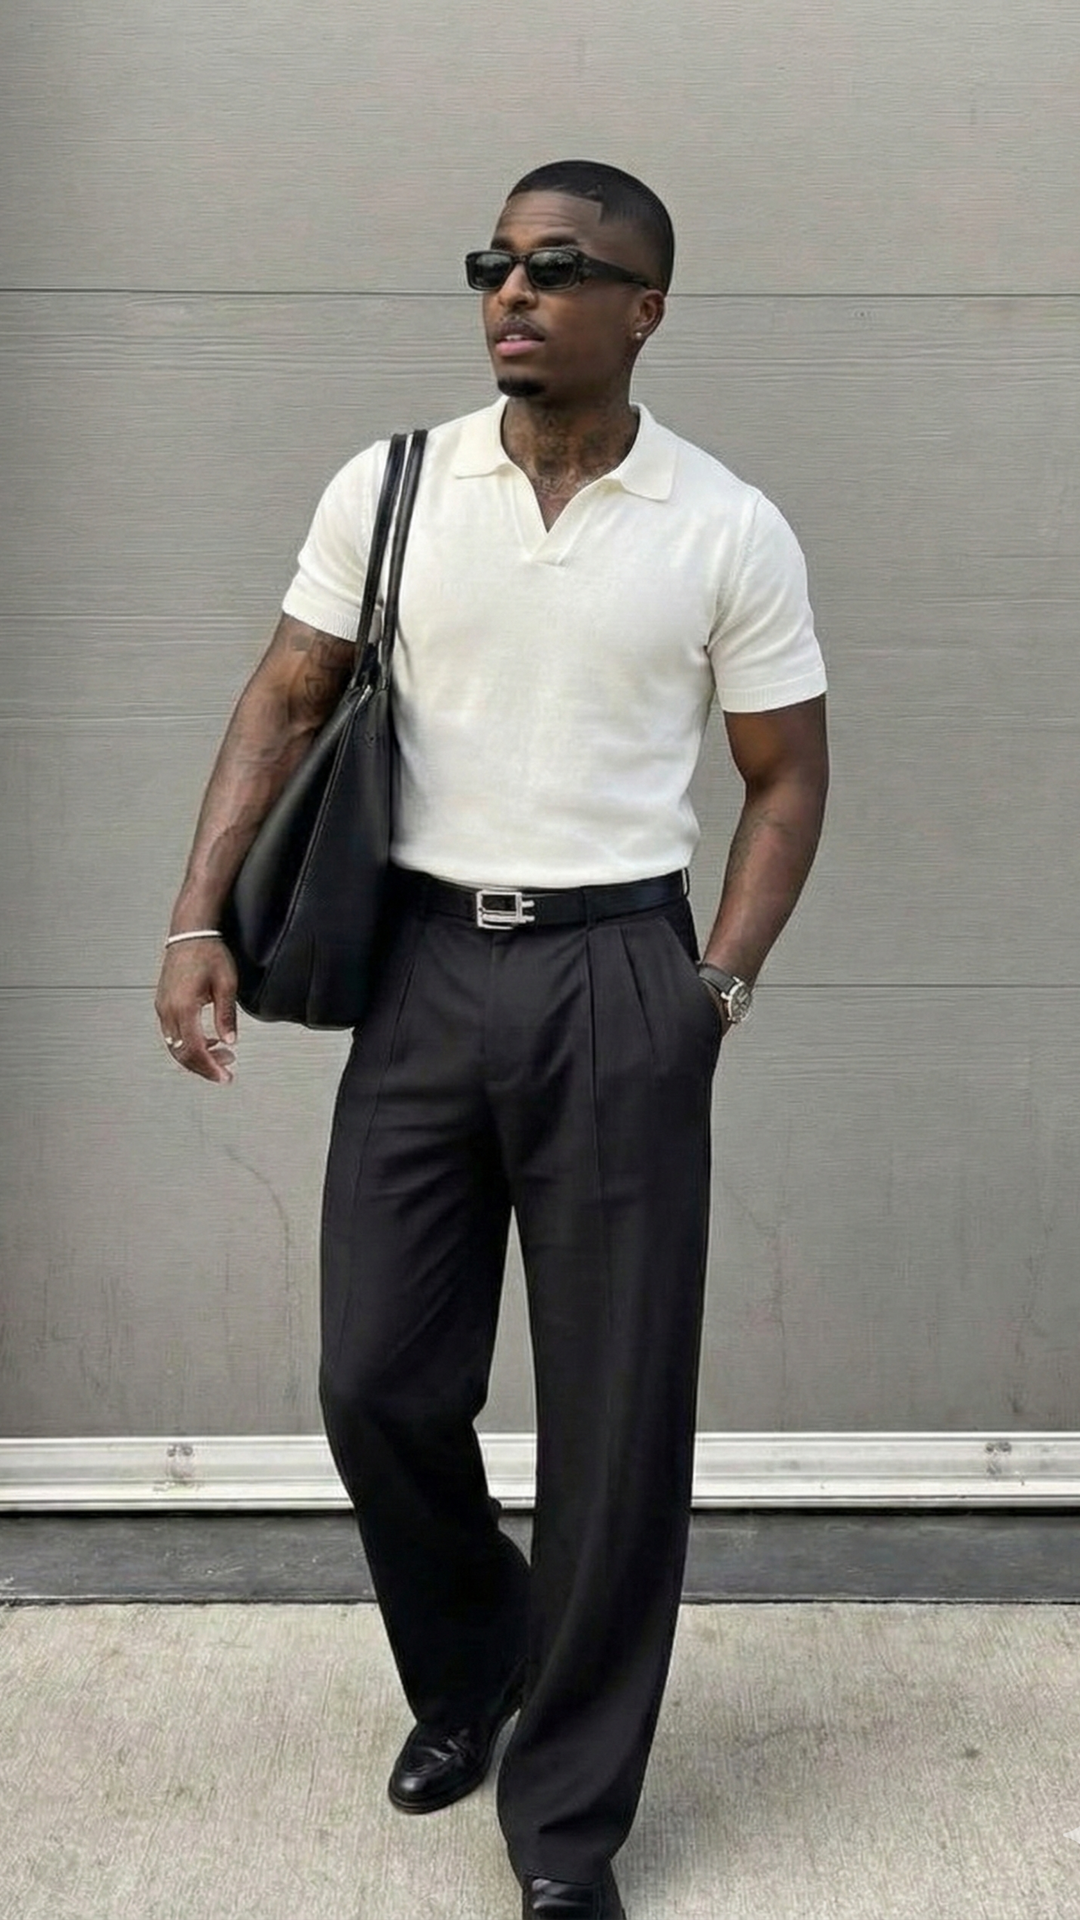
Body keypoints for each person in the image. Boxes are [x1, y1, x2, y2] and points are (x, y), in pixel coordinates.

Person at [155, 160, 828, 1920]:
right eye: (495, 263)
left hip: (621, 975)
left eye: (560, 266)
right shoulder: (394, 485)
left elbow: (785, 779)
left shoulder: (725, 526)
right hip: (427, 973)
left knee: (616, 1426)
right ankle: (475, 1661)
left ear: (644, 308)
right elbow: (287, 691)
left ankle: (567, 1827)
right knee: (377, 1380)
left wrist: (715, 992)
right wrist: (196, 917)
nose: (515, 292)